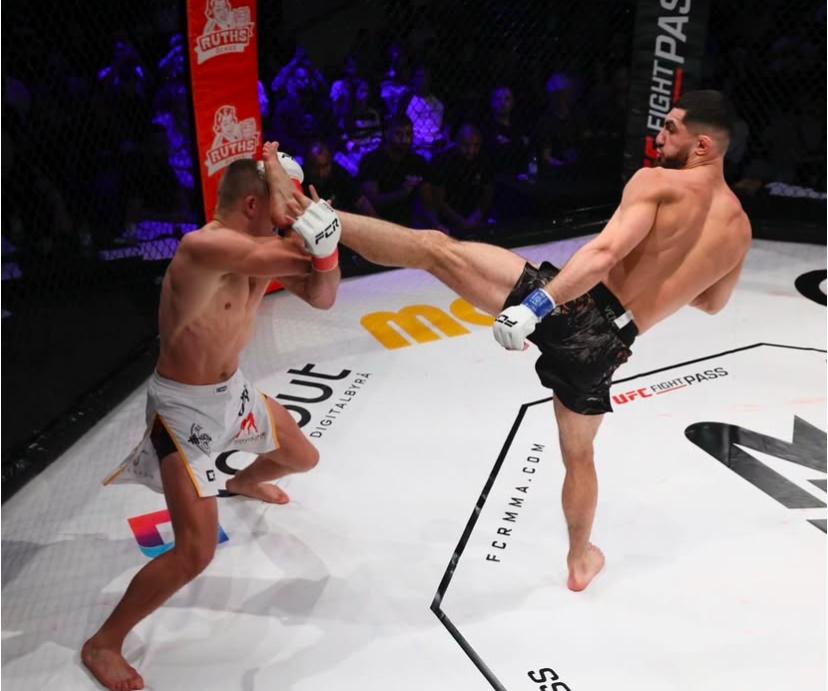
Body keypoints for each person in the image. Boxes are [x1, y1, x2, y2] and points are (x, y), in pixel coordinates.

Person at [334, 90, 751, 592]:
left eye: (670, 129)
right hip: (608, 347)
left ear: (703, 145)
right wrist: (667, 282)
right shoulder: (740, 230)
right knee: (579, 456)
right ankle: (580, 560)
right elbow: (712, 302)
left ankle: (321, 221)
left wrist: (539, 305)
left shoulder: (658, 182)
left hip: (571, 304)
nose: (658, 137)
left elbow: (603, 253)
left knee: (436, 249)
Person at [82, 142, 343, 691]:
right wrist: (317, 233)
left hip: (232, 392)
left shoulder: (258, 249)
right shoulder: (202, 246)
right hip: (182, 410)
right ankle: (104, 643)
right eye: (283, 201)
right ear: (253, 204)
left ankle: (243, 480)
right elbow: (303, 253)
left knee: (303, 457)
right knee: (195, 551)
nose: (291, 211)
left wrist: (323, 246)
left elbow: (323, 295)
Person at [358, 114, 438, 228]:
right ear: (387, 134)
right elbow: (371, 200)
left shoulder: (417, 161)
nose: (405, 139)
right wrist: (402, 193)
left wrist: (436, 225)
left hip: (408, 223)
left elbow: (428, 202)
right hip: (376, 222)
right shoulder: (372, 161)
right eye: (399, 134)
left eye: (408, 134)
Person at [431, 124, 494, 236]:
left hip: (474, 216)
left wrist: (476, 216)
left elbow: (488, 193)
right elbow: (438, 200)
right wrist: (461, 222)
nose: (471, 150)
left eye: (476, 146)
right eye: (466, 145)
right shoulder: (443, 161)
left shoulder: (484, 160)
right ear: (457, 143)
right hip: (448, 218)